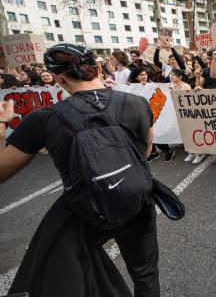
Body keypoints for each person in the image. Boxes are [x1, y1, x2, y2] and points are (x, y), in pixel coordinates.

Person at [0, 43, 160, 296]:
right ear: (97, 68)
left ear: (58, 78)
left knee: (74, 278)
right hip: (136, 201)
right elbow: (147, 151)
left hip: (86, 212)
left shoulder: (43, 118)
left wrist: (1, 123)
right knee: (145, 275)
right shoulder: (139, 102)